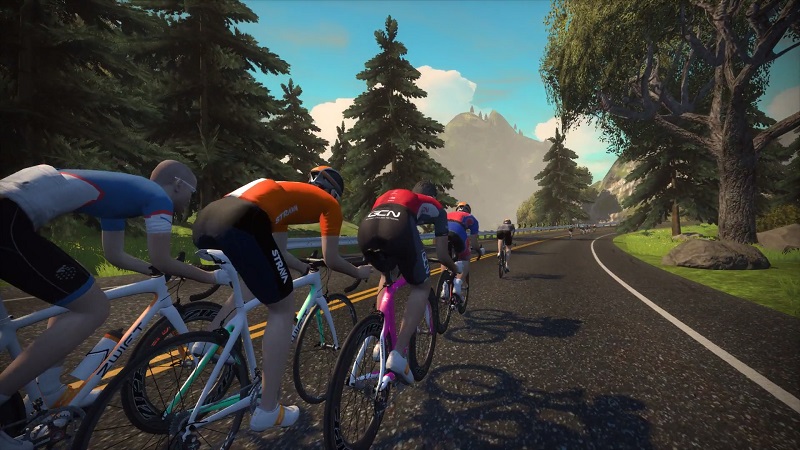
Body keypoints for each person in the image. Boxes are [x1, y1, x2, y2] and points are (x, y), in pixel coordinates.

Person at [0, 161, 228, 449]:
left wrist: (152, 271)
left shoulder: (124, 196)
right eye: (192, 193)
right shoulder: (157, 196)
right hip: (9, 221)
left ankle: (50, 388)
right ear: (178, 184)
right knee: (94, 307)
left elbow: (115, 254)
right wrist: (212, 276)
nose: (190, 201)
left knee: (74, 296)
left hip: (11, 212)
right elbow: (162, 258)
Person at [191, 165, 372, 432]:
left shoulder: (285, 195)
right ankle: (268, 409)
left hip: (209, 218)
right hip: (244, 220)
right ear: (334, 193)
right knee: (283, 308)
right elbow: (331, 258)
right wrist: (358, 271)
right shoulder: (330, 204)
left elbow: (276, 250)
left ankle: (207, 341)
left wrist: (301, 267)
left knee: (250, 283)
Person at [357, 180, 460, 385]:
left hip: (367, 229)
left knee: (387, 276)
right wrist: (454, 269)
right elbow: (442, 254)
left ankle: (380, 340)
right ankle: (397, 354)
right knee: (421, 286)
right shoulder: (435, 206)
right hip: (398, 227)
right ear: (433, 196)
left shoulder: (392, 195)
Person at [445, 202, 485, 300]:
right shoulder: (471, 218)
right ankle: (458, 282)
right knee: (465, 258)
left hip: (443, 235)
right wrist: (479, 251)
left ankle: (444, 284)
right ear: (468, 211)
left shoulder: (448, 214)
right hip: (458, 234)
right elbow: (474, 242)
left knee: (445, 257)